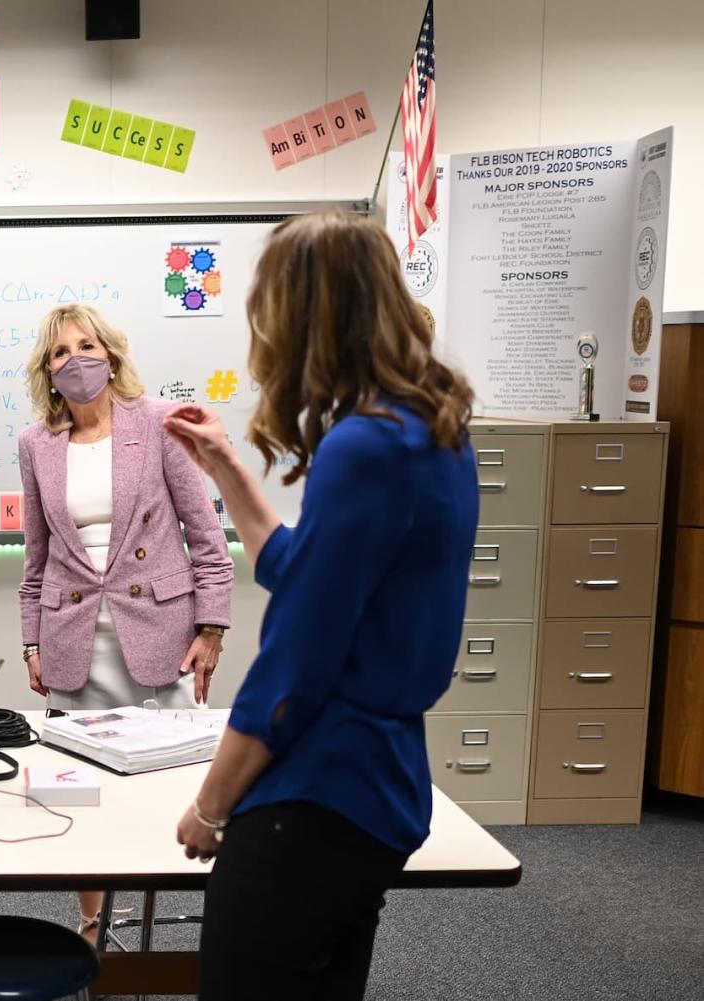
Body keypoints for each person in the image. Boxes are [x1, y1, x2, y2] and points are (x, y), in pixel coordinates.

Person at [168, 212, 478, 1001]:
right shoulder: (429, 428)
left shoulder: (364, 447)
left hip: (313, 798)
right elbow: (300, 569)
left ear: (307, 316)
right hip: (377, 791)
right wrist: (226, 464)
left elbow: (292, 672)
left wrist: (211, 804)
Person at [16, 303, 234, 943]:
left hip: (160, 634)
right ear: (47, 371)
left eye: (87, 346)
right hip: (71, 637)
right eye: (60, 352)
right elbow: (37, 556)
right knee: (76, 794)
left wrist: (211, 629)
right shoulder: (36, 444)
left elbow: (206, 537)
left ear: (110, 354)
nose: (75, 360)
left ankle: (160, 925)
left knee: (168, 785)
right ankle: (91, 920)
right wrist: (31, 638)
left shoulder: (161, 423)